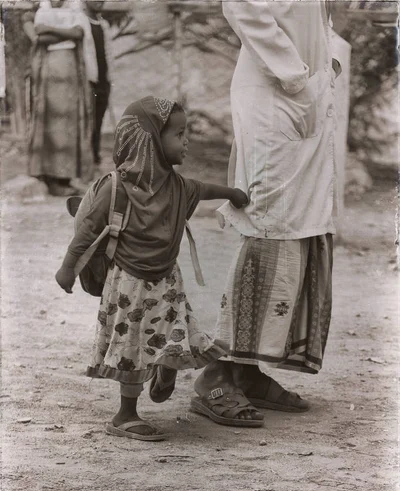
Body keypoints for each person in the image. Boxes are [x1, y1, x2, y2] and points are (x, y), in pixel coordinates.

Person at [55, 95, 252, 441]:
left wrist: (232, 193)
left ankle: (165, 365)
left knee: (175, 332)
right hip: (129, 286)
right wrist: (67, 269)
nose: (186, 140)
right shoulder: (115, 188)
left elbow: (204, 189)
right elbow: (86, 232)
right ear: (149, 140)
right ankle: (125, 415)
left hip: (167, 282)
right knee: (131, 346)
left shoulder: (176, 186)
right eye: (178, 134)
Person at [191, 1, 342, 427]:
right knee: (269, 224)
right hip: (279, 92)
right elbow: (243, 6)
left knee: (299, 225)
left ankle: (247, 370)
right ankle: (216, 374)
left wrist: (321, 71)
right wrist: (296, 75)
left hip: (303, 92)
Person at [28, 0, 96, 196]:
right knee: (52, 120)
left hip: (71, 67)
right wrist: (64, 33)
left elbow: (78, 33)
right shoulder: (43, 9)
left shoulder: (75, 8)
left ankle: (66, 177)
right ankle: (51, 178)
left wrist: (51, 31)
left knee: (69, 122)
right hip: (51, 68)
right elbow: (39, 33)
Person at [82, 0, 114, 166]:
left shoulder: (104, 25)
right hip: (88, 80)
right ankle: (85, 158)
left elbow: (107, 53)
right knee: (87, 121)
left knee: (99, 119)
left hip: (103, 80)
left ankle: (95, 155)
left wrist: (109, 78)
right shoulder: (80, 22)